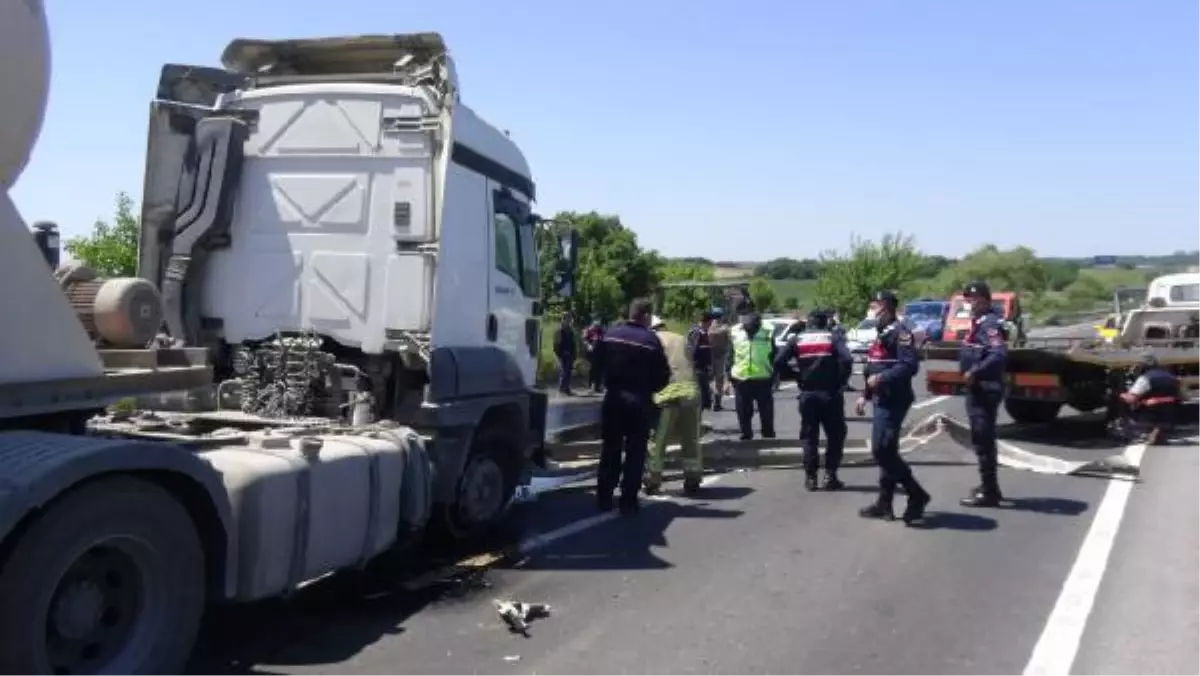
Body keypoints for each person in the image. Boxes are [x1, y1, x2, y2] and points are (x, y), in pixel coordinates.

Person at [855, 290, 930, 525]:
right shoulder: (882, 332)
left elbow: (909, 366)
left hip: (894, 398)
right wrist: (865, 395)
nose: (871, 308)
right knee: (887, 451)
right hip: (880, 398)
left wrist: (882, 379)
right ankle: (885, 503)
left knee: (882, 450)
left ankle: (916, 494)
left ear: (886, 306)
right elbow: (874, 366)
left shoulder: (901, 332)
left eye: (874, 304)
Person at [594, 299, 672, 514]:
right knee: (636, 451)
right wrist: (650, 389)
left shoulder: (610, 333)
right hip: (639, 401)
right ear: (646, 316)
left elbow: (596, 362)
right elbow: (663, 376)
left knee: (611, 448)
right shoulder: (651, 340)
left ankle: (604, 497)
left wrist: (604, 382)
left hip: (614, 398)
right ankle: (628, 500)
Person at [775, 309, 854, 491]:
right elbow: (848, 360)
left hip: (808, 394)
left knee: (810, 437)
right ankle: (830, 475)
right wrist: (840, 381)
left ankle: (811, 478)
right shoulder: (832, 338)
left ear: (808, 323)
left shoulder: (798, 339)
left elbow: (779, 361)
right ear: (825, 322)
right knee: (836, 435)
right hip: (830, 394)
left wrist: (796, 375)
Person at [956, 280, 1009, 508]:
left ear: (986, 300)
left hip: (985, 387)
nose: (971, 303)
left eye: (975, 299)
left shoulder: (989, 324)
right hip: (978, 388)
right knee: (982, 439)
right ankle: (990, 486)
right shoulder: (977, 323)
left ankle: (989, 492)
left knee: (983, 439)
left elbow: (998, 354)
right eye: (968, 299)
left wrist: (974, 371)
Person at [646, 316, 704, 494]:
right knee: (691, 438)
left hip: (667, 394)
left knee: (658, 440)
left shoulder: (653, 340)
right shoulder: (681, 338)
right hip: (691, 392)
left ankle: (653, 479)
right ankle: (693, 478)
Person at [726, 306, 777, 440]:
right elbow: (731, 354)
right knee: (743, 410)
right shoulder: (735, 332)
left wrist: (775, 374)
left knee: (766, 410)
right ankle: (746, 433)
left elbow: (774, 354)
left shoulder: (767, 331)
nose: (750, 329)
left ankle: (768, 433)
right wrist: (729, 375)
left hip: (763, 376)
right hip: (741, 377)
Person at [1117, 353, 1184, 445]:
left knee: (1123, 398)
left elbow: (1132, 398)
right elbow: (1184, 396)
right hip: (1171, 413)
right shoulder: (1173, 378)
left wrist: (1121, 395)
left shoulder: (1145, 378)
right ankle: (1159, 430)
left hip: (1151, 413)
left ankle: (1134, 428)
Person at [686, 310, 715, 412]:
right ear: (708, 322)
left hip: (703, 368)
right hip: (697, 368)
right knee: (701, 396)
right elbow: (691, 351)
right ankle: (697, 422)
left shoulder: (704, 334)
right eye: (710, 323)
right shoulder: (696, 333)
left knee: (704, 397)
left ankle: (699, 421)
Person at [707, 308, 731, 411]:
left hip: (708, 356)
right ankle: (717, 403)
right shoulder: (725, 329)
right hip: (721, 356)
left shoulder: (708, 329)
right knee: (719, 380)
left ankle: (708, 400)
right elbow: (730, 341)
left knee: (707, 380)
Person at [553, 312, 577, 396]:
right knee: (564, 371)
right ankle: (562, 389)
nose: (569, 321)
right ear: (563, 319)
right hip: (563, 353)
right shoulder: (559, 330)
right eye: (567, 319)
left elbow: (573, 343)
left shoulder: (571, 330)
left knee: (569, 372)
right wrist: (559, 354)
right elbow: (556, 344)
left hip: (570, 353)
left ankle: (566, 388)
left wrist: (574, 354)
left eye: (570, 319)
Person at [583, 317, 606, 394]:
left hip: (601, 353)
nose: (597, 325)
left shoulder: (602, 331)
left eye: (598, 324)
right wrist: (588, 345)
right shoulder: (588, 330)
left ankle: (598, 387)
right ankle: (591, 386)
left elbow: (605, 339)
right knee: (592, 370)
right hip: (592, 353)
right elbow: (584, 340)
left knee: (600, 370)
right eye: (596, 324)